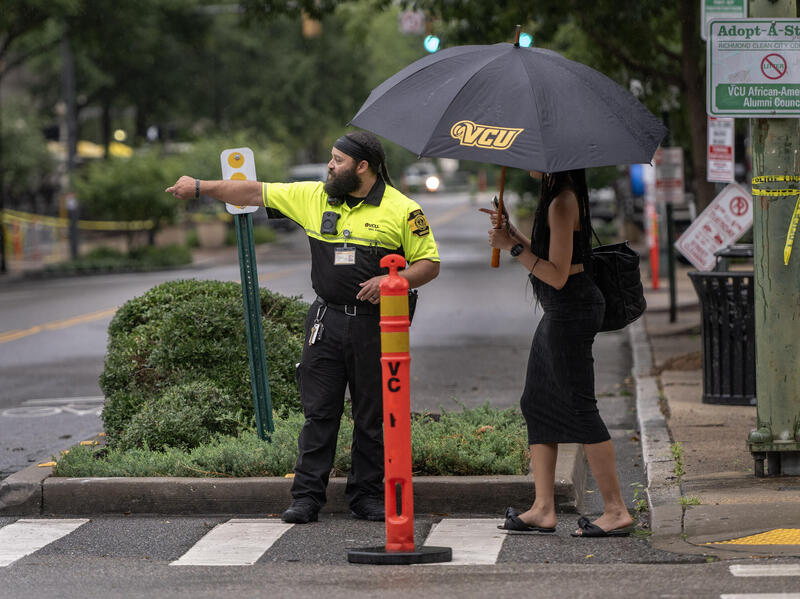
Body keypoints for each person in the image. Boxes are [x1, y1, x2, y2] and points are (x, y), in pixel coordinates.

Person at [166, 131, 440, 524]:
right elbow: (252, 192)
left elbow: (429, 264)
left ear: (362, 167)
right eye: (330, 158)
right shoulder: (315, 197)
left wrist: (392, 282)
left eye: (338, 160)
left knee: (372, 416)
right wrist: (198, 187)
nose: (330, 165)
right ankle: (307, 497)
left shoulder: (403, 209)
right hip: (326, 322)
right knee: (319, 413)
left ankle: (366, 497)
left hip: (375, 327)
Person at [481, 169, 634, 538]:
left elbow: (557, 275)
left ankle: (615, 510)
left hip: (572, 309)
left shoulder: (562, 203)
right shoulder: (555, 198)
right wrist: (513, 233)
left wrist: (512, 248)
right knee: (536, 402)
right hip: (561, 311)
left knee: (580, 408)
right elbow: (549, 256)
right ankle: (544, 507)